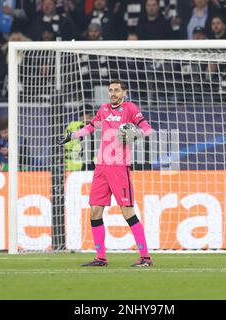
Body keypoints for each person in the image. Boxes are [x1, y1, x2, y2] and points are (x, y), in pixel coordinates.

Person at [58, 80, 154, 267]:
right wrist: (73, 136)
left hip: (119, 167)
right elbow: (91, 127)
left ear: (124, 93)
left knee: (127, 212)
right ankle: (101, 257)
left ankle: (145, 257)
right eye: (110, 90)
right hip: (101, 167)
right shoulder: (103, 109)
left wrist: (134, 133)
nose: (113, 93)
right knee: (94, 211)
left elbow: (148, 130)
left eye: (116, 90)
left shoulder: (130, 108)